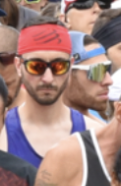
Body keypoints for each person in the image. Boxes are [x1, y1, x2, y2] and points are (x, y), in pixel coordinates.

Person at [6, 24, 87, 169]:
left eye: (59, 66)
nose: (48, 78)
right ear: (18, 66)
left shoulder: (94, 134)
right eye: (36, 66)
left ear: (70, 66)